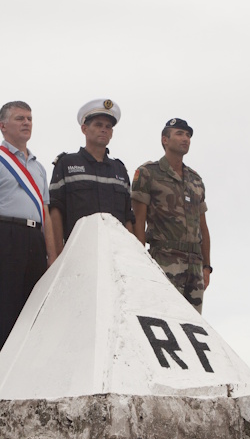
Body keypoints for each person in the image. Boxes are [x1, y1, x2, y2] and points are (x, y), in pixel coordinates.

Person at [0, 101, 57, 380]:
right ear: (3, 125)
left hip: (34, 239)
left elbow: (45, 214)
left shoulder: (39, 168)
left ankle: (27, 383)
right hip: (4, 237)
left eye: (30, 118)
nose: (27, 123)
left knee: (33, 316)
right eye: (20, 118)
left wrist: (52, 258)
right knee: (1, 315)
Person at [131, 117, 212, 313]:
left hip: (194, 266)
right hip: (163, 261)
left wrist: (207, 266)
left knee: (193, 326)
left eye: (188, 135)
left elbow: (203, 226)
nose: (186, 138)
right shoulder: (148, 173)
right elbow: (138, 222)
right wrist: (140, 263)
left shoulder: (195, 179)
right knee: (165, 317)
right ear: (165, 140)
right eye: (179, 134)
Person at [49, 99, 134, 256]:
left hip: (116, 254)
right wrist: (58, 254)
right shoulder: (67, 164)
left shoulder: (119, 170)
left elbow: (128, 216)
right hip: (78, 252)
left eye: (108, 127)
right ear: (84, 129)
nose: (104, 130)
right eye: (98, 125)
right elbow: (55, 210)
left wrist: (132, 254)